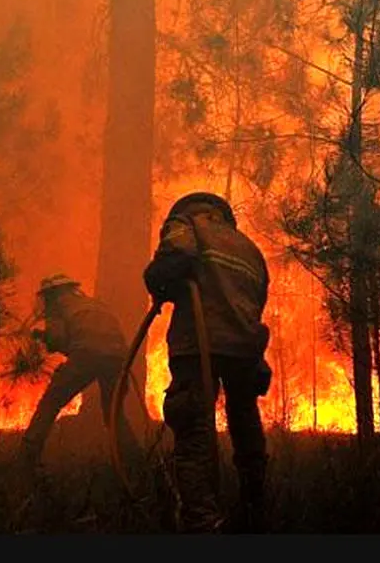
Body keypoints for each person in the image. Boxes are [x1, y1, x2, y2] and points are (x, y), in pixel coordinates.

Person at [143, 192, 272, 533]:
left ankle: (202, 524)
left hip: (198, 343)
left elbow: (176, 257)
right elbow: (258, 300)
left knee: (193, 431)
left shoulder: (186, 224)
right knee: (246, 426)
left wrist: (157, 282)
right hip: (244, 349)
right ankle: (254, 510)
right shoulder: (249, 248)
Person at [16, 273, 143, 477]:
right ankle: (135, 463)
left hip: (86, 355)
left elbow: (60, 341)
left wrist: (42, 337)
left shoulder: (58, 307)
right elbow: (91, 336)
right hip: (119, 359)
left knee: (50, 404)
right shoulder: (93, 304)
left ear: (53, 294)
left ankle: (25, 462)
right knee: (114, 414)